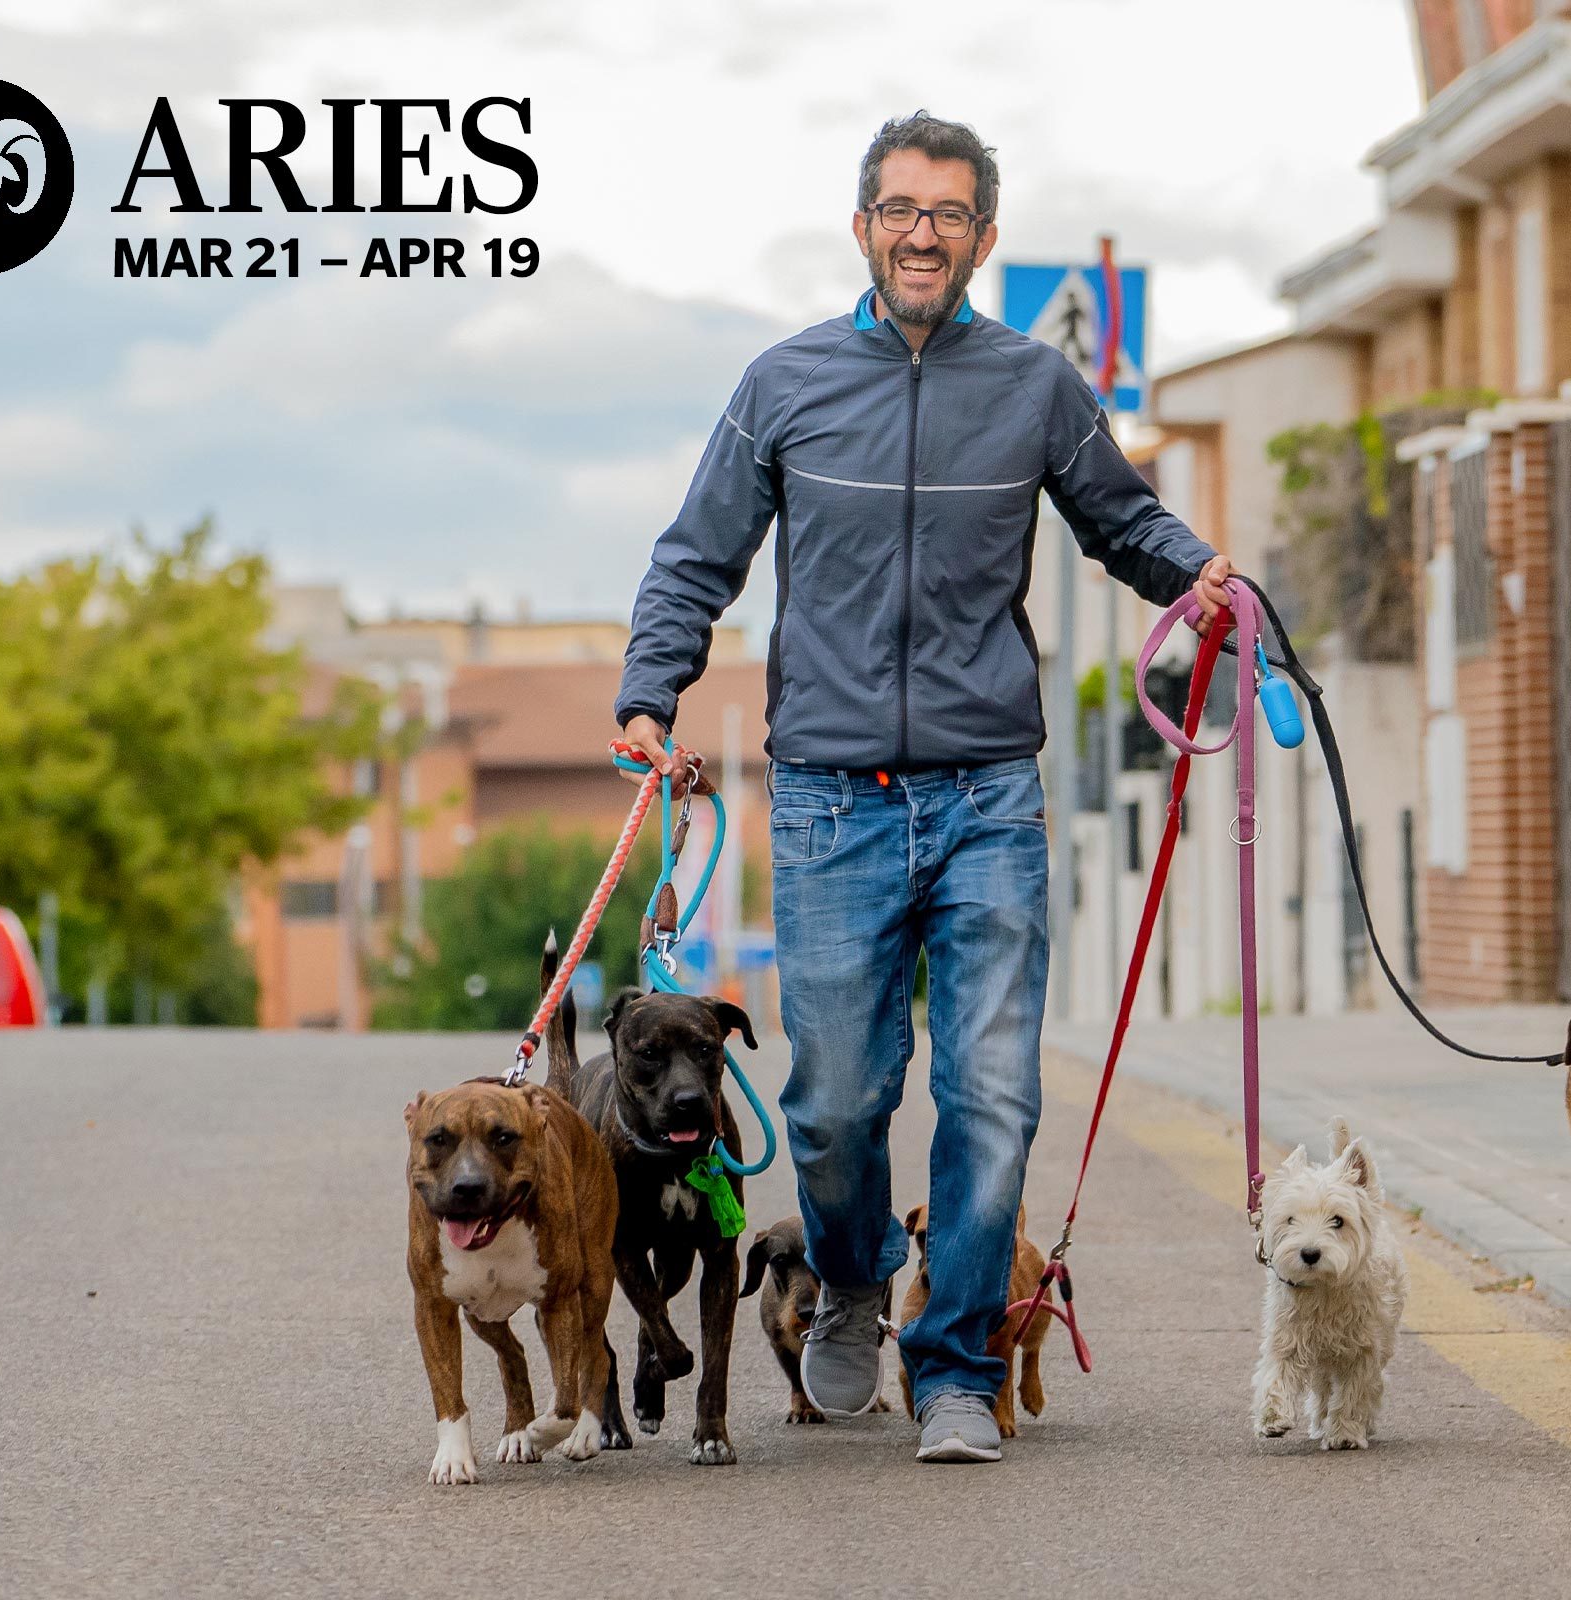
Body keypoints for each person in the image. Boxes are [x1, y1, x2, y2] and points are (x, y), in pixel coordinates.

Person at [614, 110, 1233, 1464]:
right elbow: (697, 554)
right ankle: (849, 1280)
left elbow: (1122, 520)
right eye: (900, 209)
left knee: (992, 1095)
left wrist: (1198, 576)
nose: (922, 234)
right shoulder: (782, 383)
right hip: (831, 797)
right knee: (837, 1098)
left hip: (987, 795)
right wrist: (651, 693)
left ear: (982, 238)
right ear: (862, 227)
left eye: (948, 214)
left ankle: (954, 1366)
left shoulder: (1034, 386)